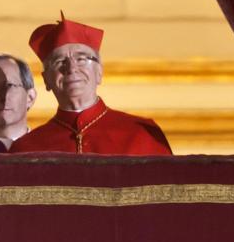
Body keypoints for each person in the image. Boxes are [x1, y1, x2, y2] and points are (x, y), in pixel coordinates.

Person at [9, 15, 172, 155]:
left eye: (81, 59)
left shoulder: (142, 134)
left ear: (99, 72)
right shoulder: (25, 150)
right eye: (59, 61)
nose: (71, 68)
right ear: (46, 80)